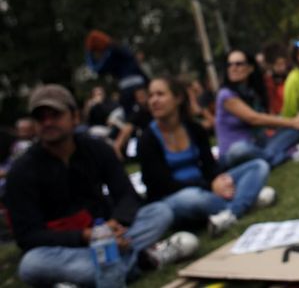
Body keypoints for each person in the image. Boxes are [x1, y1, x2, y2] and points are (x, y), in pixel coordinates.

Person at [4, 84, 195, 287]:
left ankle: (93, 275)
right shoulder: (22, 171)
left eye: (55, 115)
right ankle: (141, 261)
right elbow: (28, 236)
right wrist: (85, 237)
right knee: (31, 264)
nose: (48, 122)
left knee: (160, 212)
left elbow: (127, 195)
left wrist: (115, 224)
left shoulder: (96, 148)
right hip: (66, 247)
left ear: (75, 117)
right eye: (41, 118)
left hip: (109, 235)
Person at [139, 76, 276, 237]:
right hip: (177, 197)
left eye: (160, 94)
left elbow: (210, 167)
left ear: (178, 98)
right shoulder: (147, 140)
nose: (154, 100)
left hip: (208, 189)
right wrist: (210, 186)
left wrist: (218, 181)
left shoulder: (194, 129)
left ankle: (230, 212)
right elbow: (162, 185)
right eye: (151, 96)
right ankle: (244, 202)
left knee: (258, 166)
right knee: (193, 199)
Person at [215, 50, 299, 168]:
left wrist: (296, 122)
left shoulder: (252, 92)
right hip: (235, 152)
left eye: (238, 64)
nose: (233, 68)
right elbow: (254, 118)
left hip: (259, 145)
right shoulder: (225, 95)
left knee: (296, 129)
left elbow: (268, 121)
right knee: (239, 149)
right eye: (230, 65)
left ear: (250, 68)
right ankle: (280, 156)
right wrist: (292, 122)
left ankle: (269, 156)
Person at [85, 29, 149, 118]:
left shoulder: (109, 56)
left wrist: (89, 53)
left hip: (127, 88)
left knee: (131, 116)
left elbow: (95, 68)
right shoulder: (117, 49)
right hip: (138, 84)